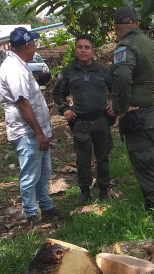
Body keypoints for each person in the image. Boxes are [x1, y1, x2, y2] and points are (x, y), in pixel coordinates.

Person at [0, 27, 63, 224]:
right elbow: (23, 103)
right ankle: (31, 214)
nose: (35, 47)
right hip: (27, 133)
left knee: (43, 172)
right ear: (28, 45)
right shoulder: (13, 69)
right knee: (30, 174)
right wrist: (38, 133)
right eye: (34, 43)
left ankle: (46, 206)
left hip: (36, 132)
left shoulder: (21, 65)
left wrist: (45, 131)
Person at [110, 6, 154, 213]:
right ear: (136, 24)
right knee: (153, 166)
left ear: (116, 26)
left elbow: (123, 77)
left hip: (140, 117)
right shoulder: (152, 45)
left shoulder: (124, 47)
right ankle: (152, 211)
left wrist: (121, 108)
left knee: (148, 169)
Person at [53, 34, 115, 203]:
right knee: (83, 159)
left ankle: (103, 189)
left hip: (102, 120)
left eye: (87, 47)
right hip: (81, 122)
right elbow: (58, 93)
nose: (83, 50)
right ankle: (84, 191)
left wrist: (114, 105)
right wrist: (64, 109)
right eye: (80, 47)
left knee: (103, 157)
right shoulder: (68, 71)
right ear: (75, 49)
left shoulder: (103, 70)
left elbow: (117, 89)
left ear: (92, 50)